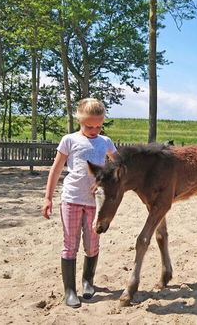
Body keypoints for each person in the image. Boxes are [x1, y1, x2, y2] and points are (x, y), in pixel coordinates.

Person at [42, 98, 117, 308]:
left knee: (93, 244)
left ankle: (87, 281)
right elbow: (56, 169)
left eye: (98, 126)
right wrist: (48, 197)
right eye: (88, 126)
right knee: (70, 244)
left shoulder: (106, 142)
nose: (94, 130)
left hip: (95, 203)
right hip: (72, 199)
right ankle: (69, 290)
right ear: (79, 120)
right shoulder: (69, 140)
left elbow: (121, 164)